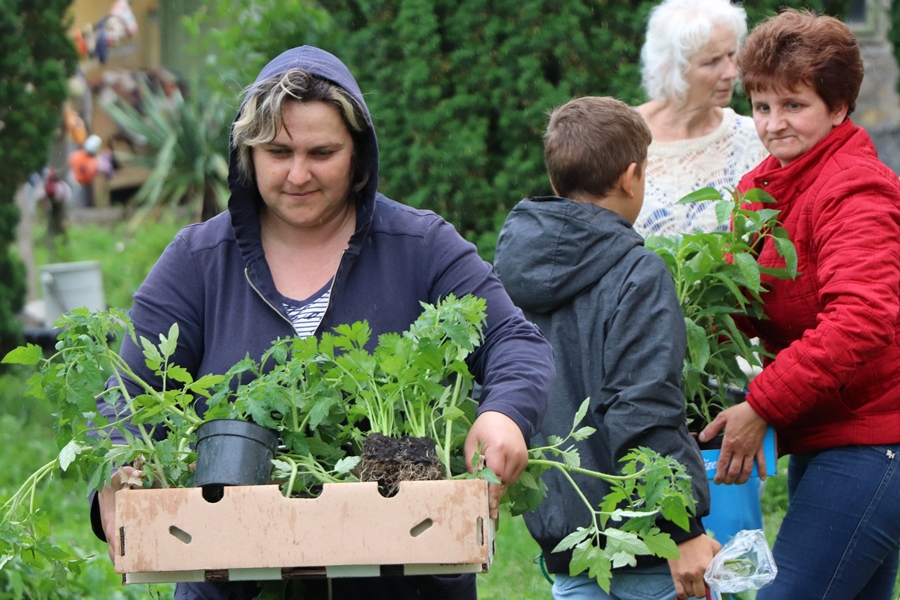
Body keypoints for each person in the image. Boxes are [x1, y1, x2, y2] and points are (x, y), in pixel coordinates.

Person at [90, 46, 555, 600]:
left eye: (322, 152)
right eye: (278, 151)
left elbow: (514, 340)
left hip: (407, 578)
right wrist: (116, 471)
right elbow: (128, 389)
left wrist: (504, 415)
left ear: (358, 156)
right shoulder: (199, 259)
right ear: (248, 154)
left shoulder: (422, 246)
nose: (298, 173)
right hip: (235, 578)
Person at [699, 11, 900, 599]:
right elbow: (738, 306)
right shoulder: (762, 188)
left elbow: (862, 318)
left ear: (838, 108)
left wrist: (762, 402)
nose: (773, 123)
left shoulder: (855, 188)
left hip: (876, 439)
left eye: (794, 105)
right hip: (827, 435)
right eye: (762, 106)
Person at [494, 96, 719, 600]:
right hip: (649, 549)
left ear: (556, 183)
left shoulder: (507, 274)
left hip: (570, 546)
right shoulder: (638, 272)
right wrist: (682, 531)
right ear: (631, 176)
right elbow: (643, 407)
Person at [634, 0, 768, 237]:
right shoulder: (619, 135)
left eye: (731, 54)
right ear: (669, 69)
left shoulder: (754, 140)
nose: (731, 72)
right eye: (712, 61)